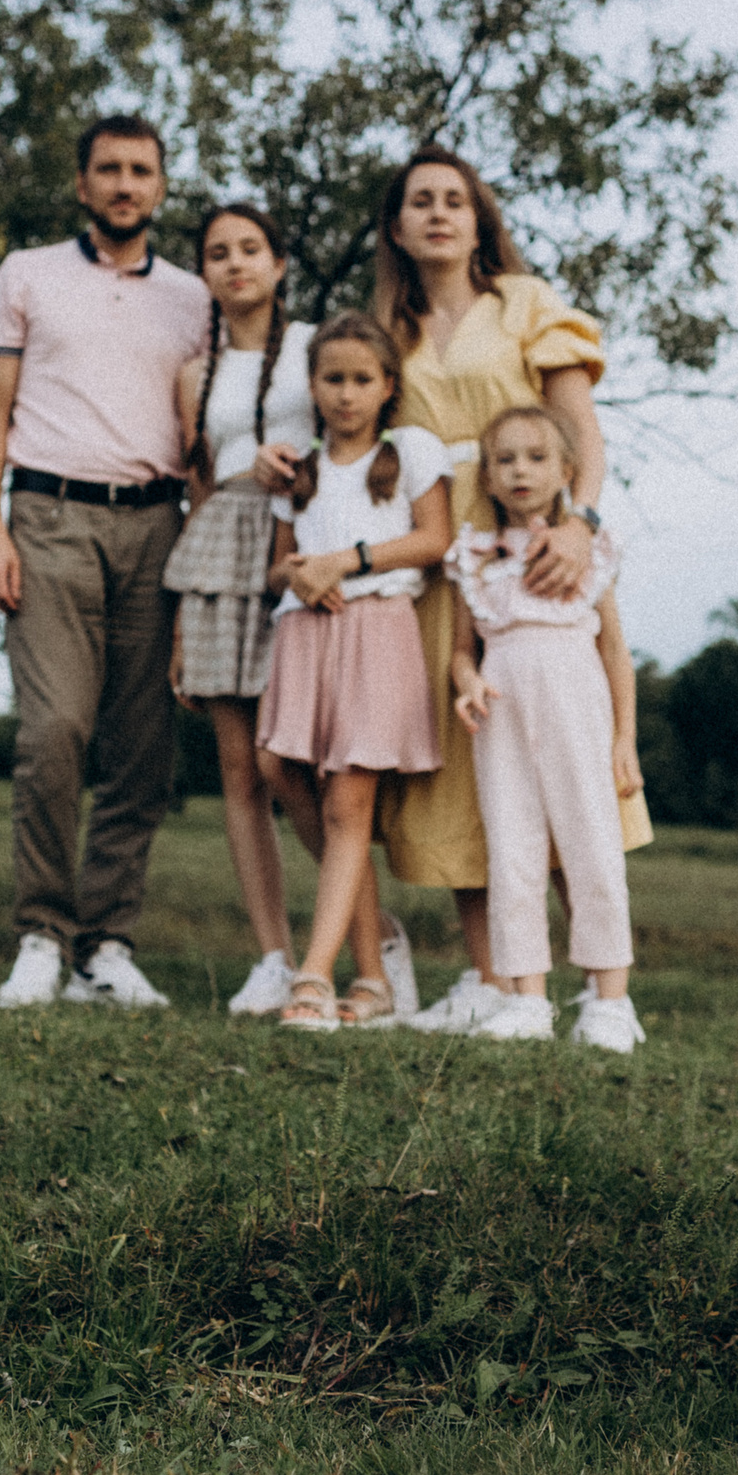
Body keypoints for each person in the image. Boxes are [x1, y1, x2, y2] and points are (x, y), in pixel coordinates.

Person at [260, 145, 650, 1032]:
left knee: (560, 754)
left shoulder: (527, 306)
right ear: (396, 226)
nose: (438, 213)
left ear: (479, 219)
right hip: (429, 559)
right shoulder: (384, 329)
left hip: (527, 535)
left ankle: (600, 983)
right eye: (418, 201)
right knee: (466, 769)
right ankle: (491, 975)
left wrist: (577, 524)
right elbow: (339, 431)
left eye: (454, 200)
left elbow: (580, 431)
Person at [0, 113, 209, 1010]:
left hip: (157, 524)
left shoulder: (193, 298)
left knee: (143, 747)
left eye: (141, 170)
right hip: (50, 514)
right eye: (108, 169)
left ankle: (105, 944)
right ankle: (41, 931)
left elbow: (205, 426)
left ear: (160, 185)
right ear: (81, 184)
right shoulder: (27, 273)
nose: (124, 184)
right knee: (54, 731)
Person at [255, 312, 453, 1031]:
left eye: (361, 379)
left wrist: (352, 560)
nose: (346, 394)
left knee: (348, 806)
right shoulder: (299, 465)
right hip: (305, 634)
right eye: (333, 379)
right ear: (312, 385)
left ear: (388, 386)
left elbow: (435, 538)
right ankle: (376, 966)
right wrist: (302, 573)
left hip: (375, 632)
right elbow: (279, 562)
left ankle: (317, 977)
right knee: (275, 766)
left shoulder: (410, 451)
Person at [162, 204, 323, 1015]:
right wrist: (184, 632)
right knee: (238, 769)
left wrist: (297, 470)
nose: (235, 265)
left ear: (280, 263)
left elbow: (361, 438)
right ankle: (272, 954)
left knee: (289, 762)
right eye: (218, 254)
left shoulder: (314, 346)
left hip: (297, 547)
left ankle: (360, 940)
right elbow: (198, 482)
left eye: (250, 249)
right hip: (222, 551)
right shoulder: (196, 371)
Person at [448, 406, 647, 1050]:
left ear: (566, 470)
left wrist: (625, 740)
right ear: (487, 475)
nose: (520, 471)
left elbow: (616, 651)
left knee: (592, 844)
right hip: (502, 713)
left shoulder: (590, 553)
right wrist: (468, 683)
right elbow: (460, 651)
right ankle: (527, 999)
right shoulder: (474, 558)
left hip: (576, 707)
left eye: (536, 457)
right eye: (504, 459)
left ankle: (610, 1001)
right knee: (513, 849)